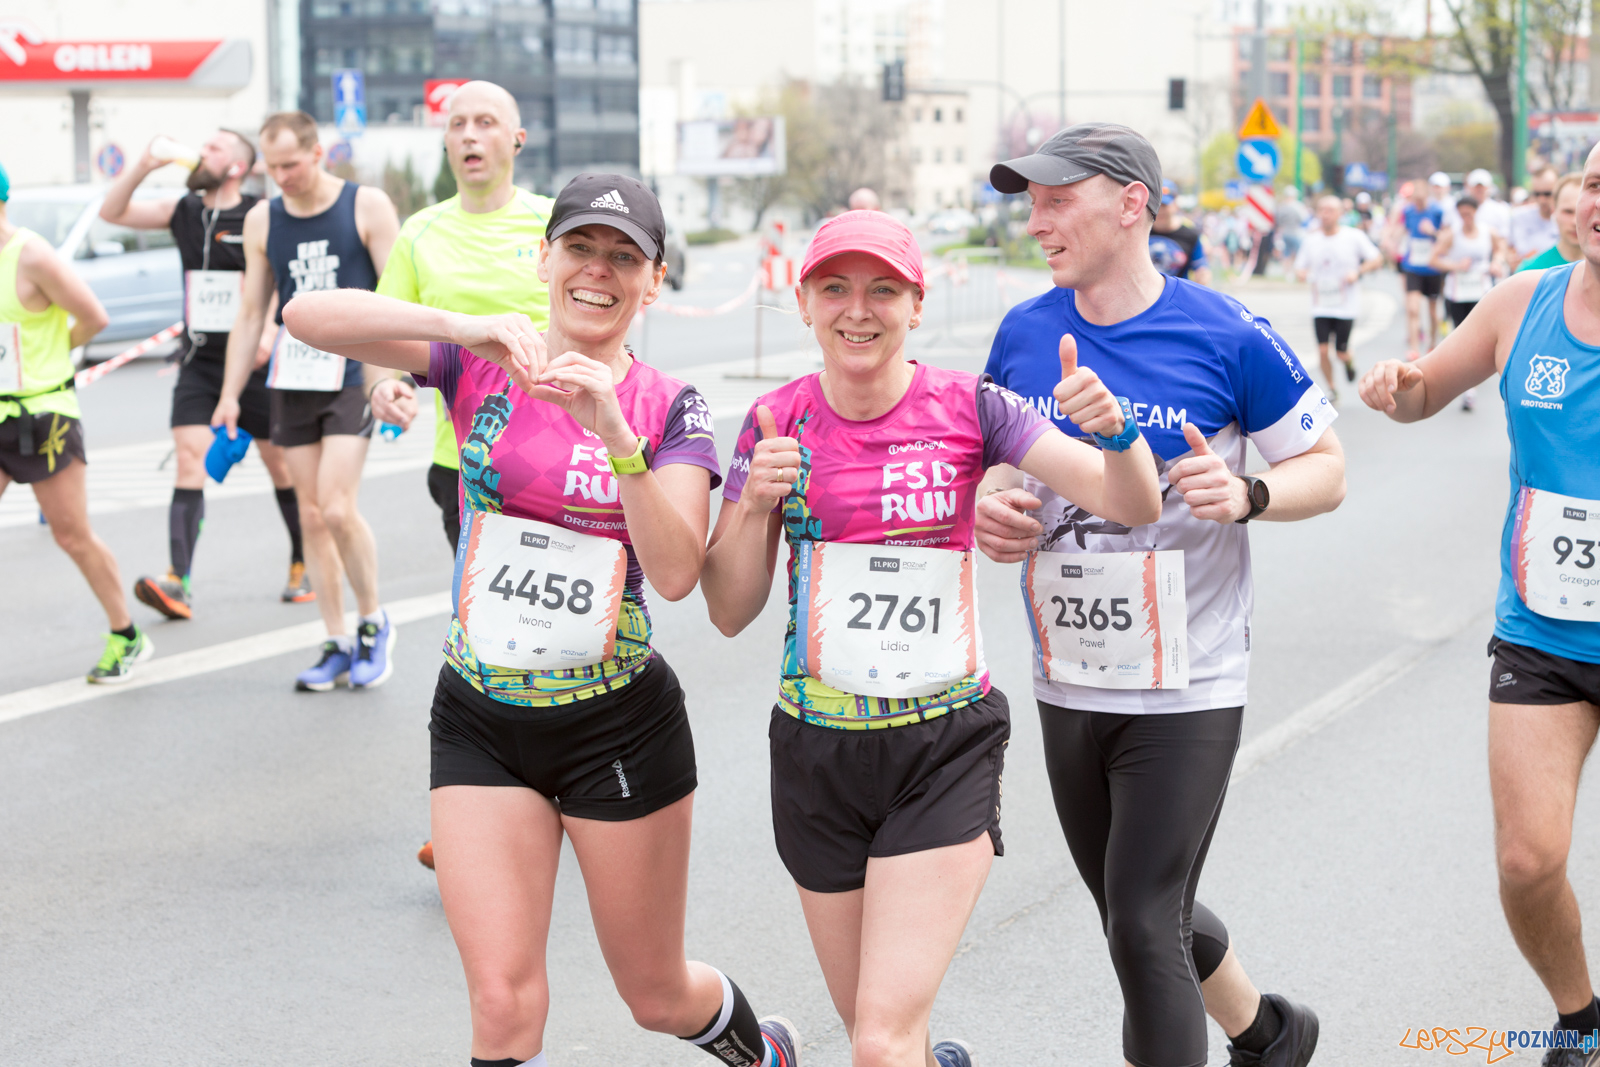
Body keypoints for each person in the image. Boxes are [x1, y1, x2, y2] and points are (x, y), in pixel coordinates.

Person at [282, 172, 802, 1067]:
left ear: (654, 280)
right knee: (500, 998)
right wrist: (456, 325)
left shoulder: (668, 407)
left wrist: (616, 435)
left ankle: (764, 1051)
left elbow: (678, 575)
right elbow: (307, 321)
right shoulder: (482, 362)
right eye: (580, 248)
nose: (598, 271)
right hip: (480, 715)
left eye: (623, 257)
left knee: (655, 992)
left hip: (616, 727)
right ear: (545, 257)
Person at [700, 206, 1161, 1067]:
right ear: (803, 303)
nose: (858, 310)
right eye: (834, 288)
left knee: (877, 1042)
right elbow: (728, 608)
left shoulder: (971, 407)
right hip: (816, 754)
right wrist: (754, 503)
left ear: (917, 303)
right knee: (882, 1035)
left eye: (883, 289)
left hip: (940, 747)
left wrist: (1115, 432)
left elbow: (1133, 502)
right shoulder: (774, 421)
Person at [981, 123, 1345, 1067]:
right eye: (1030, 200)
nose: (1038, 219)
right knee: (1132, 903)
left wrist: (1253, 494)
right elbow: (991, 467)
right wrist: (996, 508)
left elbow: (1327, 469)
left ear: (1131, 203)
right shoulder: (1023, 334)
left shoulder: (1226, 331)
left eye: (1059, 199)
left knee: (1144, 922)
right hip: (1069, 676)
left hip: (1189, 682)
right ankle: (1268, 1034)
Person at [1357, 137, 1600, 1067]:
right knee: (1528, 862)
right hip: (1542, 630)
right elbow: (1426, 391)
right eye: (1593, 184)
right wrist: (1397, 385)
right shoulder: (1520, 304)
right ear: (1571, 204)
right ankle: (1580, 1018)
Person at [365, 80, 556, 871]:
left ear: (517, 140)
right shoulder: (420, 233)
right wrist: (385, 384)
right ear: (445, 144)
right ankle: (472, 808)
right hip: (467, 469)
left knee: (569, 626)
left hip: (562, 463)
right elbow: (385, 327)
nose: (470, 135)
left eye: (487, 123)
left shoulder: (552, 221)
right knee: (484, 631)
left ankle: (569, 784)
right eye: (457, 125)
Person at [213, 110, 401, 691]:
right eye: (271, 167)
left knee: (338, 508)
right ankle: (336, 638)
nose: (281, 176)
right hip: (292, 381)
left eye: (290, 164)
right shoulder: (263, 219)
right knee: (312, 516)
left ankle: (374, 622)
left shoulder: (365, 205)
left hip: (352, 374)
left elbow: (398, 296)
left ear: (318, 153)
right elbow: (250, 313)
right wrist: (227, 396)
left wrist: (391, 378)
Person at [97, 130, 310, 619]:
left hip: (253, 361)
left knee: (279, 464)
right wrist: (143, 166)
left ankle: (304, 559)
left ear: (236, 166)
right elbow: (112, 212)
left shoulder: (261, 214)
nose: (201, 152)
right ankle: (179, 582)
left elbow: (282, 274)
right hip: (199, 361)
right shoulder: (185, 210)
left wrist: (269, 330)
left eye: (213, 148)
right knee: (189, 460)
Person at [0, 160, 152, 682]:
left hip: (45, 414)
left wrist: (47, 361)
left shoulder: (31, 255)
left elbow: (94, 317)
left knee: (71, 535)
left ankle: (126, 635)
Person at [1294, 193, 1383, 402]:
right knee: (1323, 351)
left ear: (1340, 214)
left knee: (1341, 353)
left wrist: (1357, 272)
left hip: (1346, 305)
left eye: (1330, 211)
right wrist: (1304, 275)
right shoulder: (1311, 240)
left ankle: (1349, 363)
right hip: (1320, 305)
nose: (1325, 215)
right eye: (1321, 210)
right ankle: (1332, 389)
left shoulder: (1353, 237)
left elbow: (1377, 259)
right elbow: (1299, 269)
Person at [1432, 195, 1497, 413]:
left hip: (1481, 292)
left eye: (1469, 213)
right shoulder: (1452, 234)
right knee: (1461, 337)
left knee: (1477, 340)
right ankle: (1468, 387)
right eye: (1462, 214)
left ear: (1476, 212)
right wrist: (1455, 265)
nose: (1465, 218)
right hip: (1457, 293)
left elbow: (1500, 251)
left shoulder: (1488, 232)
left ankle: (1470, 389)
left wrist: (1496, 262)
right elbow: (1433, 259)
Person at [1387, 178, 1446, 359]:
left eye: (1421, 200)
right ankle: (1413, 348)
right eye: (1415, 200)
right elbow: (1403, 229)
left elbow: (1446, 237)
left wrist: (1433, 232)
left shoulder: (1437, 211)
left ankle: (1432, 343)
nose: (1418, 204)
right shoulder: (1409, 211)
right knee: (1412, 308)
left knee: (1432, 309)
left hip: (1432, 267)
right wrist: (1391, 242)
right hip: (1412, 265)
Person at [1519, 171, 1583, 273]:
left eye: (1582, 212)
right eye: (1568, 212)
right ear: (1554, 210)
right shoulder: (1531, 271)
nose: (1575, 221)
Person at [1149, 181, 1211, 285]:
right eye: (1156, 205)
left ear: (1175, 205)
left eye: (1164, 205)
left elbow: (1201, 268)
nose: (1159, 211)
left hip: (1176, 296)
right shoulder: (1140, 231)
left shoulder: (1190, 235)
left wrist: (1203, 276)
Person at [1510, 165, 1561, 269]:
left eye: (1547, 194)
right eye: (1537, 194)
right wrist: (1510, 258)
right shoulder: (1519, 216)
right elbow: (1508, 248)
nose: (1542, 200)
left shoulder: (1568, 219)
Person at [1464, 167, 1513, 243]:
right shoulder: (1459, 209)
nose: (1479, 190)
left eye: (1482, 187)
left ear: (1489, 187)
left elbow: (1504, 238)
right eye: (1476, 187)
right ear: (1469, 187)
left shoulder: (1500, 209)